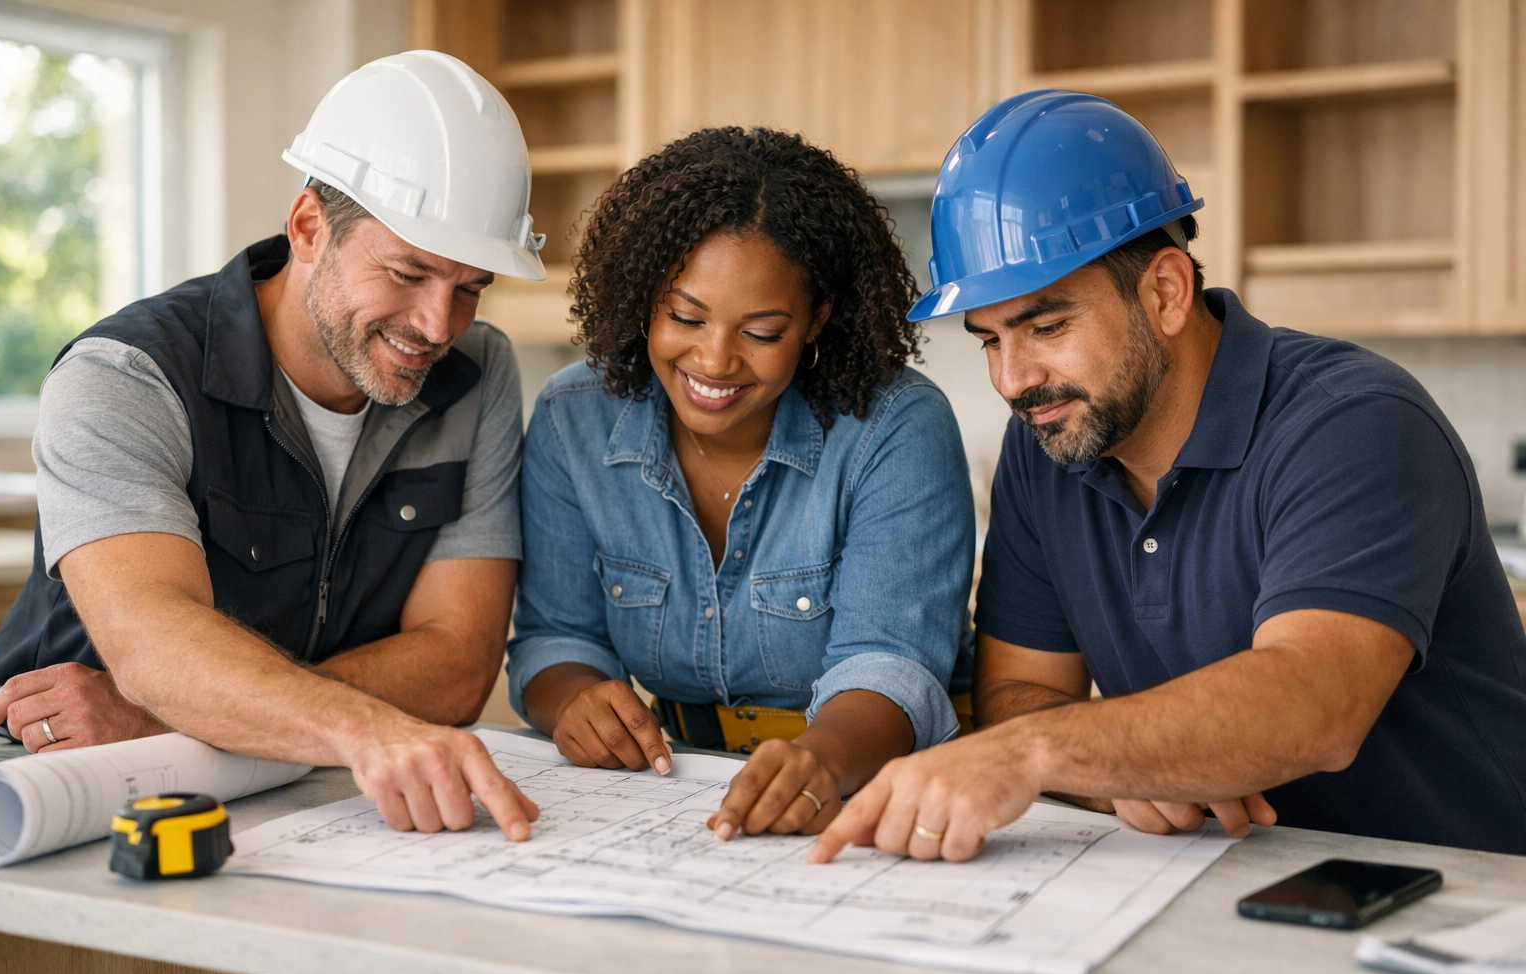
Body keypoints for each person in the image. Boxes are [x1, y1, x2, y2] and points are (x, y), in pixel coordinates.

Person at [812, 90, 1526, 865]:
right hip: (1224, 886)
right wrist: (1116, 769)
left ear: (1166, 291)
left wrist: (1036, 753)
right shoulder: (1052, 441)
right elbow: (1021, 694)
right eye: (988, 341)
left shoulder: (1354, 424)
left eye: (1047, 327)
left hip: (1462, 901)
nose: (1014, 380)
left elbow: (1315, 703)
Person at [0, 51, 546, 839]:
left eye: (470, 288)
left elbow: (456, 665)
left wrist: (192, 713)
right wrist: (358, 724)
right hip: (56, 796)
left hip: (291, 792)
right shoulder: (127, 377)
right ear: (309, 227)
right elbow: (155, 649)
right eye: (407, 272)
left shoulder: (476, 375)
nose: (436, 325)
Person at [508, 127, 975, 840]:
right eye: (685, 317)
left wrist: (817, 762)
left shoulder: (896, 427)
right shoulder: (575, 419)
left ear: (817, 318)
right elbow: (554, 638)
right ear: (642, 299)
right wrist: (574, 699)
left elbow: (891, 665)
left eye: (761, 332)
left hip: (881, 788)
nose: (715, 361)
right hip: (683, 791)